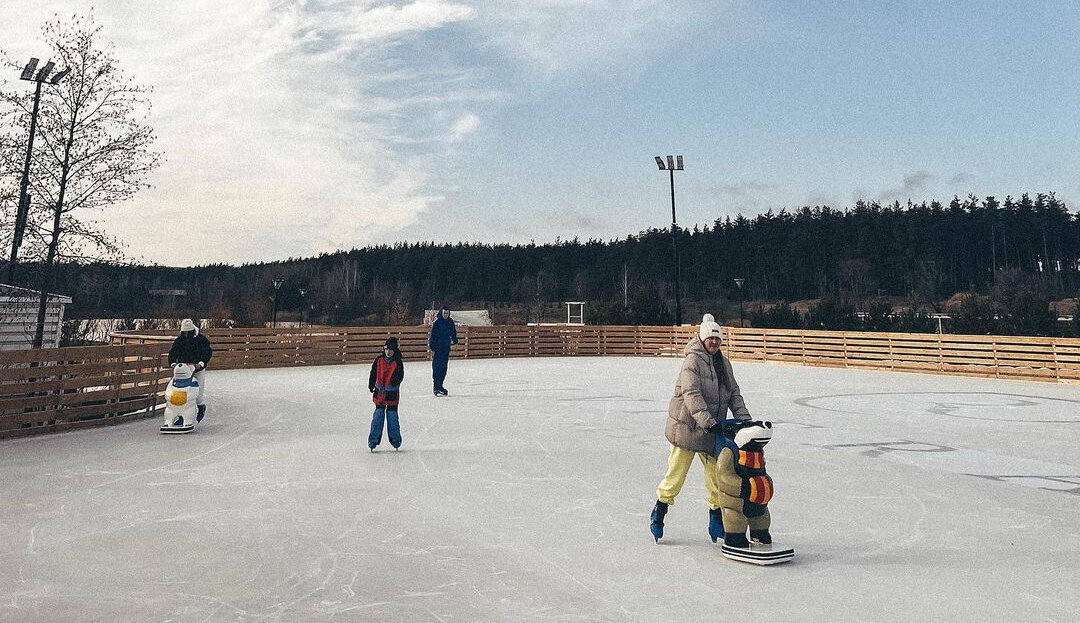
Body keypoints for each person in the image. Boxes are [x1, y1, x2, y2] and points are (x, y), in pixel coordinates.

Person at [649, 313, 751, 543]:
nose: (714, 342)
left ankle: (715, 519)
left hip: (712, 430)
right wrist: (709, 422)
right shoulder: (692, 361)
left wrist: (745, 421)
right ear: (702, 339)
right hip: (688, 428)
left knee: (717, 477)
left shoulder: (723, 364)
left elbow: (734, 394)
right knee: (676, 475)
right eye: (710, 339)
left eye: (718, 339)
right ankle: (660, 510)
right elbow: (691, 395)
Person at [168, 318, 213, 422]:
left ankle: (201, 406)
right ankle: (181, 417)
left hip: (197, 369)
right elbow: (173, 352)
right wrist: (173, 362)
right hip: (183, 371)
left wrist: (202, 362)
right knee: (181, 393)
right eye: (185, 333)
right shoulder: (180, 340)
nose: (186, 335)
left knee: (197, 394)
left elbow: (207, 351)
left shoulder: (201, 339)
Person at [368, 336, 404, 451]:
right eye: (386, 349)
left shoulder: (397, 362)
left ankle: (396, 440)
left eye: (390, 350)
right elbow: (373, 372)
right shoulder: (379, 360)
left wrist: (395, 381)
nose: (388, 352)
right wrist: (371, 384)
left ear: (394, 350)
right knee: (378, 417)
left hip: (392, 395)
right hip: (379, 394)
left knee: (392, 418)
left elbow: (400, 375)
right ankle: (373, 441)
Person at [427, 306, 458, 396]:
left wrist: (455, 340)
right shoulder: (437, 323)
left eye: (447, 313)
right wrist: (433, 346)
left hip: (445, 348)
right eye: (444, 313)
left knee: (444, 368)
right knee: (437, 368)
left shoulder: (450, 322)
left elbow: (453, 333)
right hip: (438, 348)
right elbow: (433, 336)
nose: (445, 315)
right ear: (441, 313)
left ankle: (440, 385)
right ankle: (436, 387)